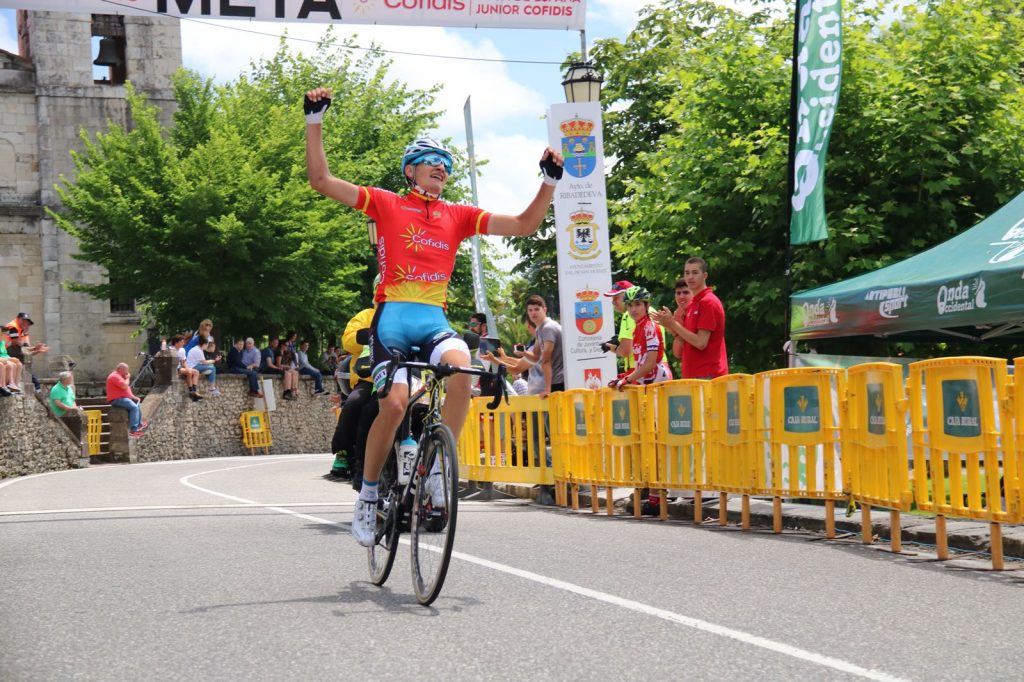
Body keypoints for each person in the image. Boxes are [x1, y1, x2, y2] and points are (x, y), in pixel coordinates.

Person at [304, 86, 564, 545]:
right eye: (430, 160)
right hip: (392, 322)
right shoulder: (386, 203)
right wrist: (314, 122)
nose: (440, 167)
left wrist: (548, 182)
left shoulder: (458, 215)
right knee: (396, 404)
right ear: (410, 171)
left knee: (464, 361)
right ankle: (366, 497)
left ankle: (437, 471)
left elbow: (525, 225)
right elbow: (322, 181)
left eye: (445, 162)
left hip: (432, 320)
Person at [652, 257, 728, 379]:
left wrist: (672, 324)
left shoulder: (708, 302)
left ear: (705, 275)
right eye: (687, 273)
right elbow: (679, 351)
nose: (690, 277)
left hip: (709, 375)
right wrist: (668, 325)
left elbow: (700, 343)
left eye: (695, 272)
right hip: (693, 376)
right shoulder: (693, 305)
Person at [327, 301, 376, 482]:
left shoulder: (405, 314)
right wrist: (368, 334)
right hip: (369, 378)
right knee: (354, 403)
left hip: (400, 377)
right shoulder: (366, 316)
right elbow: (348, 341)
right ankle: (344, 450)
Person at [612, 286, 672, 389]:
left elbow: (650, 363)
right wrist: (623, 377)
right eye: (630, 305)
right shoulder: (637, 329)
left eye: (638, 304)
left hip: (659, 383)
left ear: (647, 305)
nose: (633, 309)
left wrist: (627, 379)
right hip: (647, 383)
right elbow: (641, 364)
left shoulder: (650, 327)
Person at [106, 362, 148, 436]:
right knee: (134, 407)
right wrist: (128, 378)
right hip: (117, 399)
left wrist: (134, 397)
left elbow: (126, 390)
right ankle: (133, 430)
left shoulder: (120, 376)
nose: (127, 372)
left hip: (123, 397)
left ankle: (139, 424)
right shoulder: (115, 376)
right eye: (126, 370)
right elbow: (124, 386)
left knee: (137, 404)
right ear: (120, 369)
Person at [169, 334, 203, 401]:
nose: (183, 343)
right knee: (189, 372)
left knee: (196, 372)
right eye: (181, 342)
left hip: (179, 367)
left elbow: (183, 362)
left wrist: (187, 368)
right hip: (174, 369)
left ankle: (194, 391)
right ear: (176, 342)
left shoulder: (182, 350)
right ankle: (191, 392)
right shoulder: (170, 350)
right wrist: (187, 370)